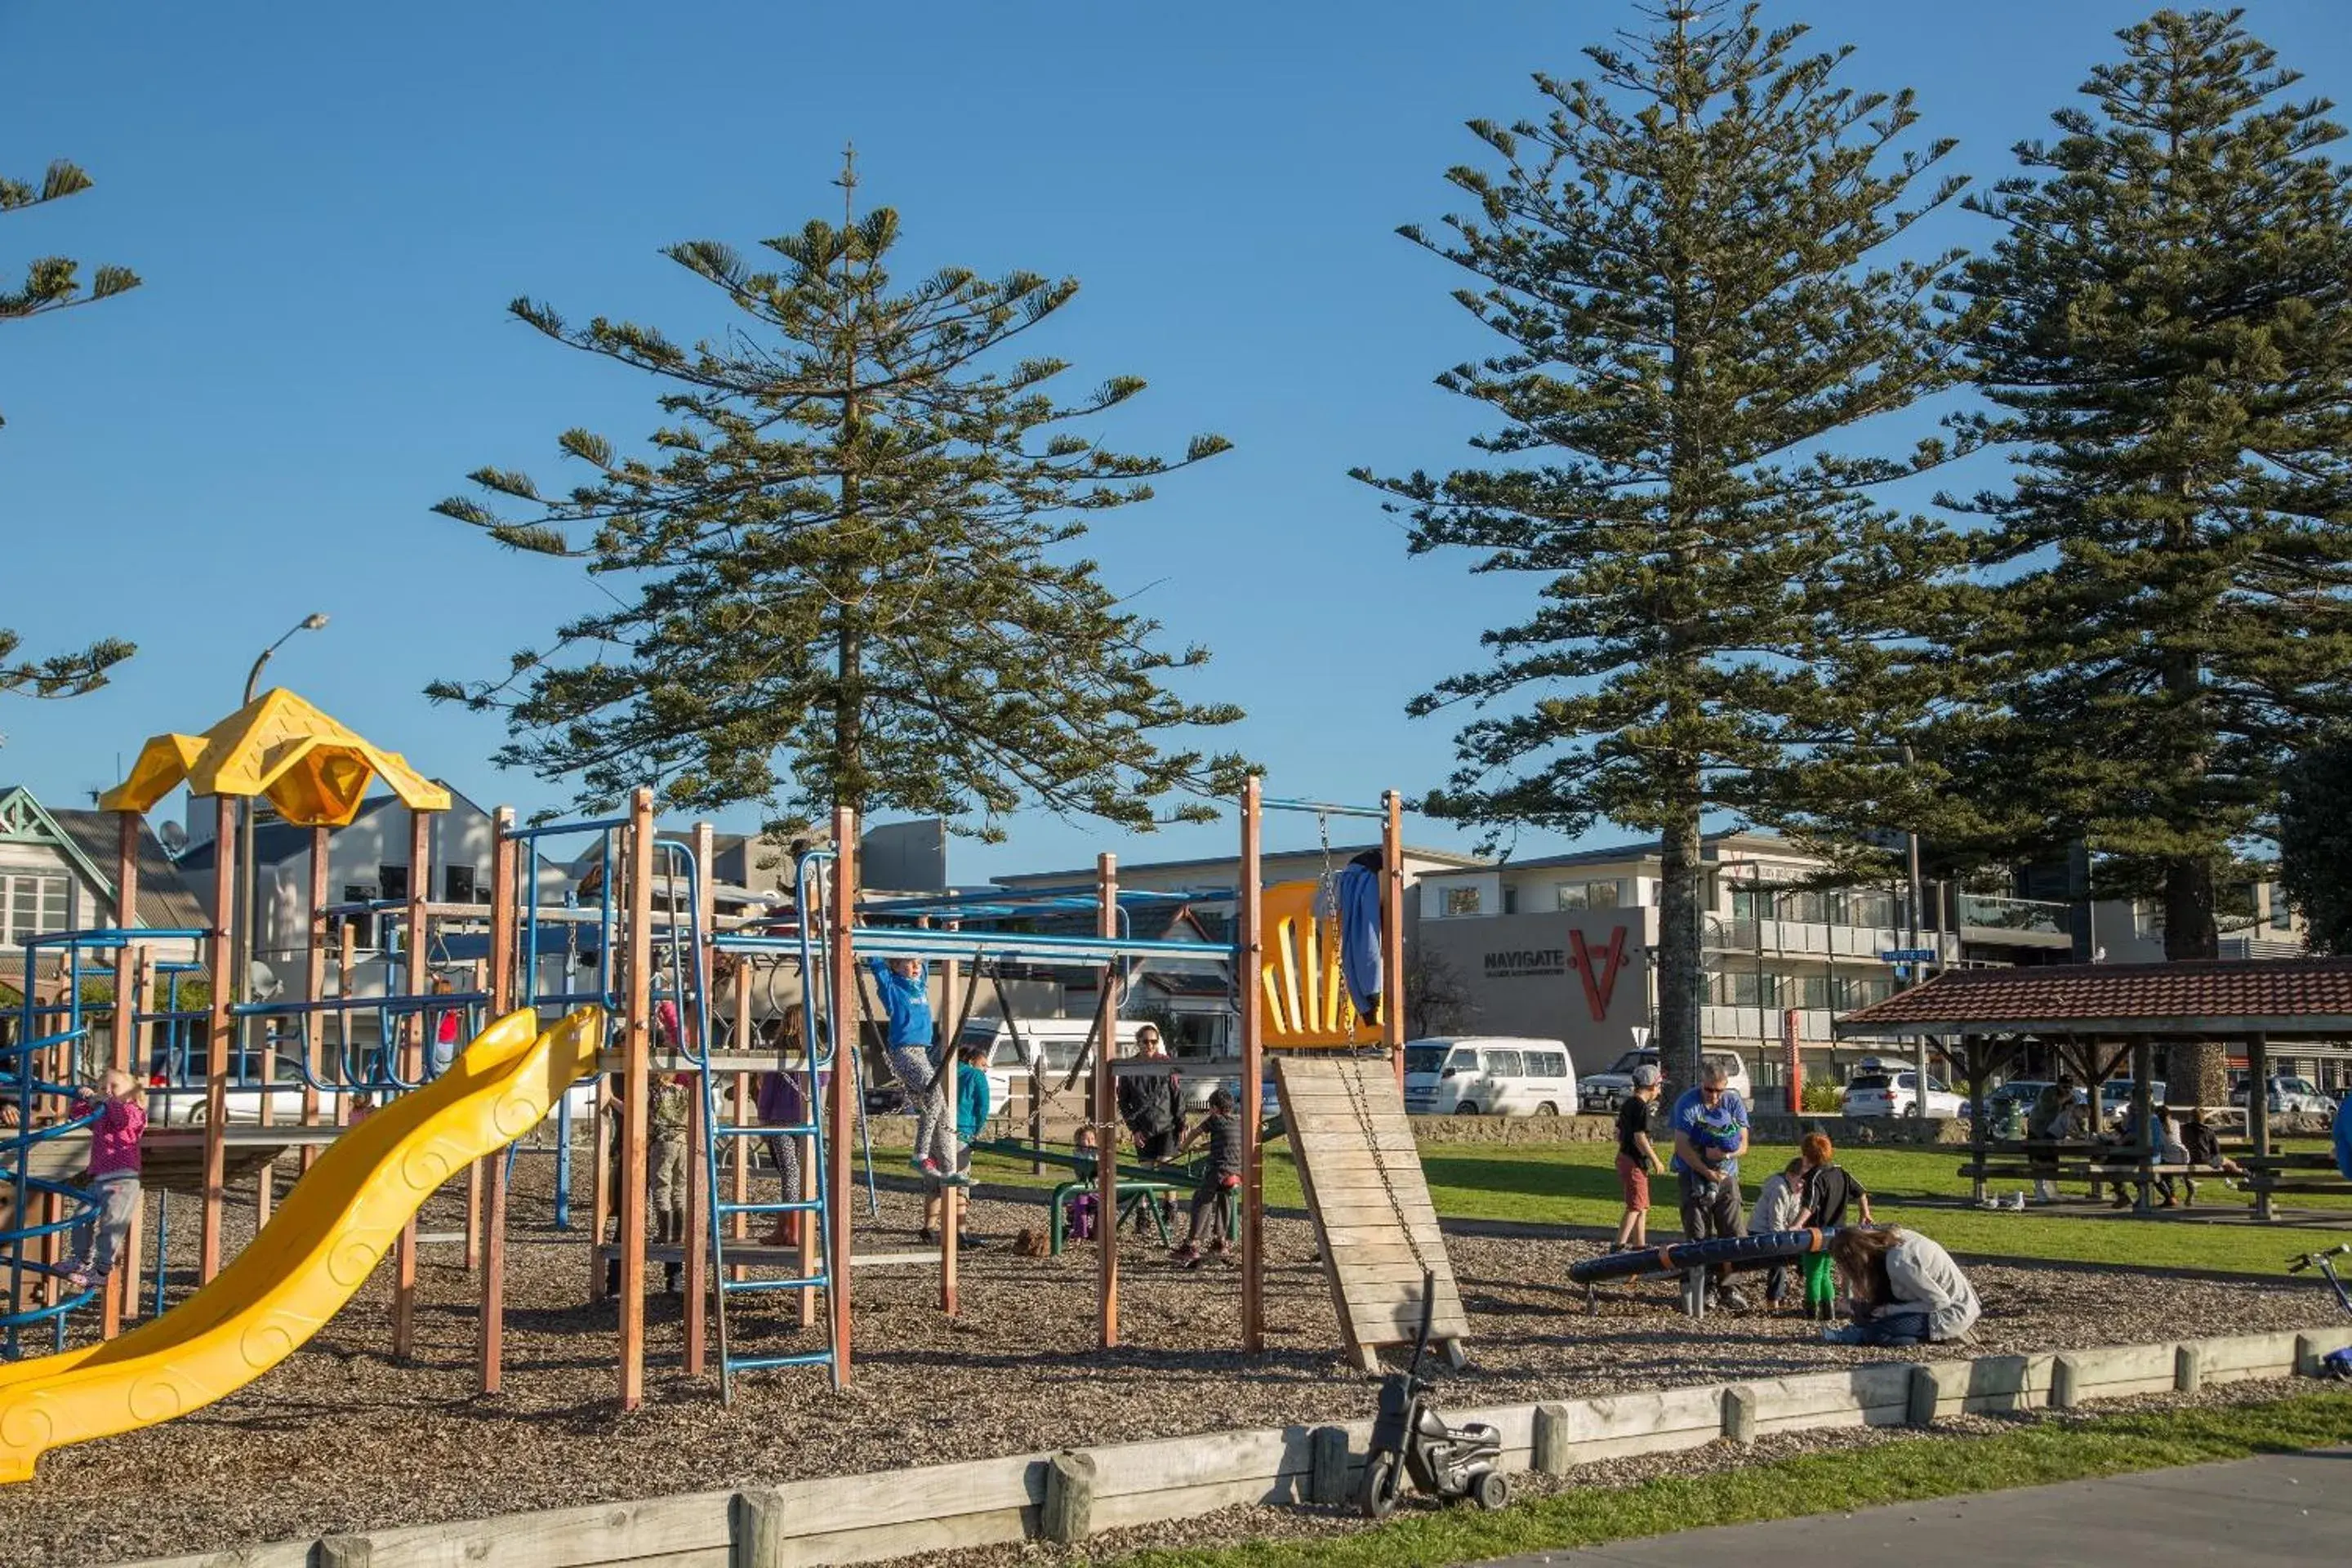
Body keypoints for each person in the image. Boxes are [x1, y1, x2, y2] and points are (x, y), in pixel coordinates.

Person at [1668, 1060, 1751, 1310]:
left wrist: (1724, 1156)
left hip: (1726, 1175)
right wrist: (1706, 1169)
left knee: (1733, 1231)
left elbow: (1744, 1144)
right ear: (1701, 1084)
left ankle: (1731, 1287)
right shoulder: (1688, 1103)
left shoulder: (1733, 1102)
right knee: (1698, 1233)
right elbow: (1682, 1146)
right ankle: (1704, 1288)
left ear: (1725, 1087)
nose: (1713, 1096)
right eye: (1708, 1090)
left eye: (1718, 1090)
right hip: (1693, 1172)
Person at [1822, 1225, 1981, 1347]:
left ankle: (1929, 1338)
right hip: (1925, 1300)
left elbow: (1939, 1302)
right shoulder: (1889, 1240)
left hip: (1950, 1311)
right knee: (1867, 1315)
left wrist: (1892, 1310)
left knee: (1877, 1333)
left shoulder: (1900, 1261)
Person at [867, 956, 954, 1178]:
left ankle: (948, 1168)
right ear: (895, 967)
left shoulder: (921, 984)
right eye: (909, 963)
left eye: (917, 963)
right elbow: (877, 964)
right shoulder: (892, 988)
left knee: (941, 1107)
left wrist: (924, 924)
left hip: (922, 1053)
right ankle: (920, 1156)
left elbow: (924, 953)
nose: (916, 967)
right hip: (903, 1053)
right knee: (934, 1096)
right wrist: (862, 924)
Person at [64, 1070, 147, 1292]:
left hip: (122, 1179)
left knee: (110, 1224)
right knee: (81, 1215)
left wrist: (101, 1099)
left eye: (114, 1087)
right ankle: (81, 1259)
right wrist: (82, 1098)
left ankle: (101, 1270)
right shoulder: (103, 1115)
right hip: (99, 1177)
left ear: (132, 1094)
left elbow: (120, 1120)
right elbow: (79, 1117)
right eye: (102, 1087)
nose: (107, 1091)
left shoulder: (134, 1112)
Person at [1793, 1133, 1873, 1321]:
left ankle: (1811, 1312)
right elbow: (1861, 1192)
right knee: (1826, 1272)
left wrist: (1796, 1225)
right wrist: (1865, 1213)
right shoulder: (1841, 1172)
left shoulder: (1815, 1177)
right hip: (1837, 1233)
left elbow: (1809, 1206)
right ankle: (1828, 1312)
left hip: (1816, 1233)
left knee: (1813, 1273)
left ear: (1807, 1155)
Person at [1116, 1023, 1185, 1233]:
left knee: (1165, 1171)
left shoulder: (1167, 1064)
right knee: (1145, 1173)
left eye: (1154, 1041)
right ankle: (1142, 1217)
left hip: (1167, 1126)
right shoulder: (1129, 1067)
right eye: (1145, 1041)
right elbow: (1123, 1101)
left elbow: (1177, 1096)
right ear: (1138, 1042)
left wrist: (1181, 1123)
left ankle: (1170, 1214)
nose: (1150, 1045)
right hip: (1143, 1127)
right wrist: (1134, 1129)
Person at [1169, 1086, 1244, 1268]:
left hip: (1218, 1171)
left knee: (1201, 1200)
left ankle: (1192, 1244)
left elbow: (1195, 1132)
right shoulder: (1237, 1122)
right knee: (1224, 1199)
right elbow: (1225, 1143)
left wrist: (1184, 1147)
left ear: (1215, 1108)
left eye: (1210, 1107)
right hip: (1236, 1172)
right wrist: (1201, 1148)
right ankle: (1220, 1241)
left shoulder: (1214, 1119)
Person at [1611, 1065, 1668, 1250]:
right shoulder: (1642, 1108)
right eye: (1659, 1085)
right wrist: (1655, 1159)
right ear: (1652, 1086)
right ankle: (1618, 1247)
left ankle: (1639, 1247)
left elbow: (1618, 1132)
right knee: (1635, 1207)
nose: (1660, 1090)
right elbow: (1639, 1136)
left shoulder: (1629, 1104)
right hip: (1634, 1161)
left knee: (1642, 1206)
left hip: (1626, 1158)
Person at [648, 1072, 691, 1294]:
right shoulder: (683, 1091)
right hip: (683, 1141)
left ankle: (665, 1231)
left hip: (662, 1141)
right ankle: (680, 1232)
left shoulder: (656, 1092)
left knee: (661, 1186)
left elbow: (640, 1113)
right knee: (680, 1188)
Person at [1748, 1155, 1808, 1308]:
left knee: (1806, 1247)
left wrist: (1796, 1230)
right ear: (1790, 1175)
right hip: (1760, 1232)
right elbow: (1775, 1223)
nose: (1802, 1185)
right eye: (1800, 1180)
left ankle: (1802, 1278)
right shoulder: (1779, 1188)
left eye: (1805, 1182)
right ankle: (1773, 1300)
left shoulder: (1795, 1190)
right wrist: (1787, 1240)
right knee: (1779, 1260)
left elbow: (1794, 1217)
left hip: (1780, 1230)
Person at [2177, 1107, 2244, 1202]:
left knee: (2223, 1161)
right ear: (2203, 1118)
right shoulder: (2208, 1131)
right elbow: (2216, 1151)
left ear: (2190, 1118)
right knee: (2227, 1161)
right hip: (2205, 1161)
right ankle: (2244, 1173)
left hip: (2188, 1161)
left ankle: (2240, 1175)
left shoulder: (2183, 1129)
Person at [2028, 1075, 2075, 1203]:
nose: (2067, 1090)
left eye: (2070, 1087)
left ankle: (2052, 1191)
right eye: (2065, 1086)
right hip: (2037, 1130)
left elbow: (2071, 1113)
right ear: (2058, 1084)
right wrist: (2066, 1098)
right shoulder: (2048, 1092)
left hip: (2052, 1133)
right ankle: (2039, 1190)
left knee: (2053, 1162)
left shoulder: (2071, 1097)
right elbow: (2047, 1107)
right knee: (2038, 1161)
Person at [428, 974, 463, 1077]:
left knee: (435, 1066)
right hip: (444, 1040)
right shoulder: (448, 1005)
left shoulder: (434, 1004)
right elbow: (454, 1009)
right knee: (442, 1068)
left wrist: (437, 980)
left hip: (440, 1039)